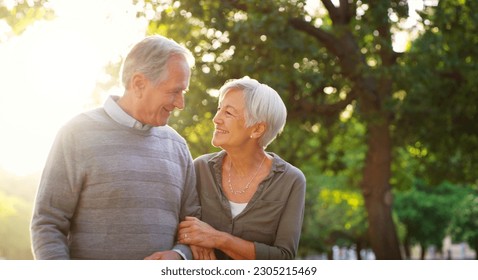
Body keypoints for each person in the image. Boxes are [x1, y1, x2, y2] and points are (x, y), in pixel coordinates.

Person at [30, 35, 200, 260]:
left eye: (183, 93)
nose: (180, 104)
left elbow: (194, 228)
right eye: (174, 91)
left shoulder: (177, 146)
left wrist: (180, 256)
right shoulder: (77, 134)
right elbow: (47, 224)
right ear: (139, 84)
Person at [177, 77, 306, 260]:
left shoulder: (291, 180)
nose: (216, 119)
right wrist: (194, 240)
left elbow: (283, 258)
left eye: (228, 113)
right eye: (219, 109)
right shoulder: (200, 168)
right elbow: (181, 225)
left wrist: (217, 239)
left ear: (257, 129)